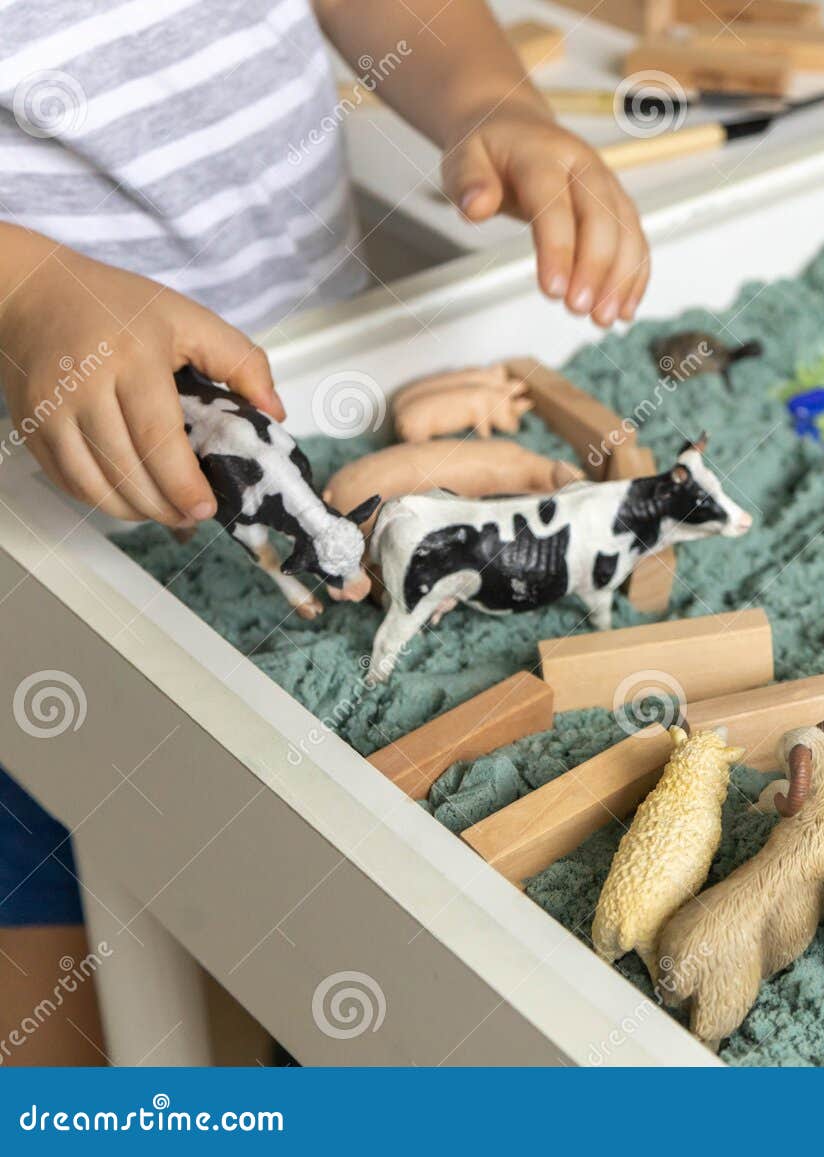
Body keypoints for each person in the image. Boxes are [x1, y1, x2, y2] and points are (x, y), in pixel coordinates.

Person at [0, 0, 650, 1062]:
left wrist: (487, 97)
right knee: (70, 971)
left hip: (311, 358)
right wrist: (25, 290)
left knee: (281, 946)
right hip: (40, 480)